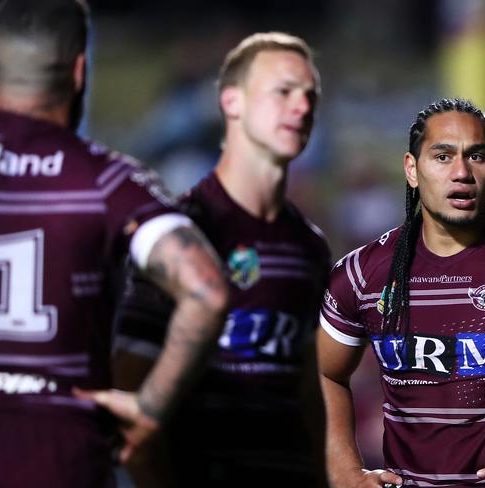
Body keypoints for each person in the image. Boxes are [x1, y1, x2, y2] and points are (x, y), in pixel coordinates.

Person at [0, 1, 228, 486]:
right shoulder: (107, 182)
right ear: (81, 69)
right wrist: (148, 410)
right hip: (60, 458)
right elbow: (207, 291)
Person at [317, 98, 485, 487]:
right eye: (442, 156)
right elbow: (324, 372)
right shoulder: (362, 274)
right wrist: (343, 471)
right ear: (411, 169)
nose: (461, 172)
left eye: (477, 156)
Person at [113, 32, 332, 487]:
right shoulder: (181, 234)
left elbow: (309, 393)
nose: (302, 106)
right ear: (231, 102)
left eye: (310, 94)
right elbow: (131, 386)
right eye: (283, 91)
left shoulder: (308, 246)